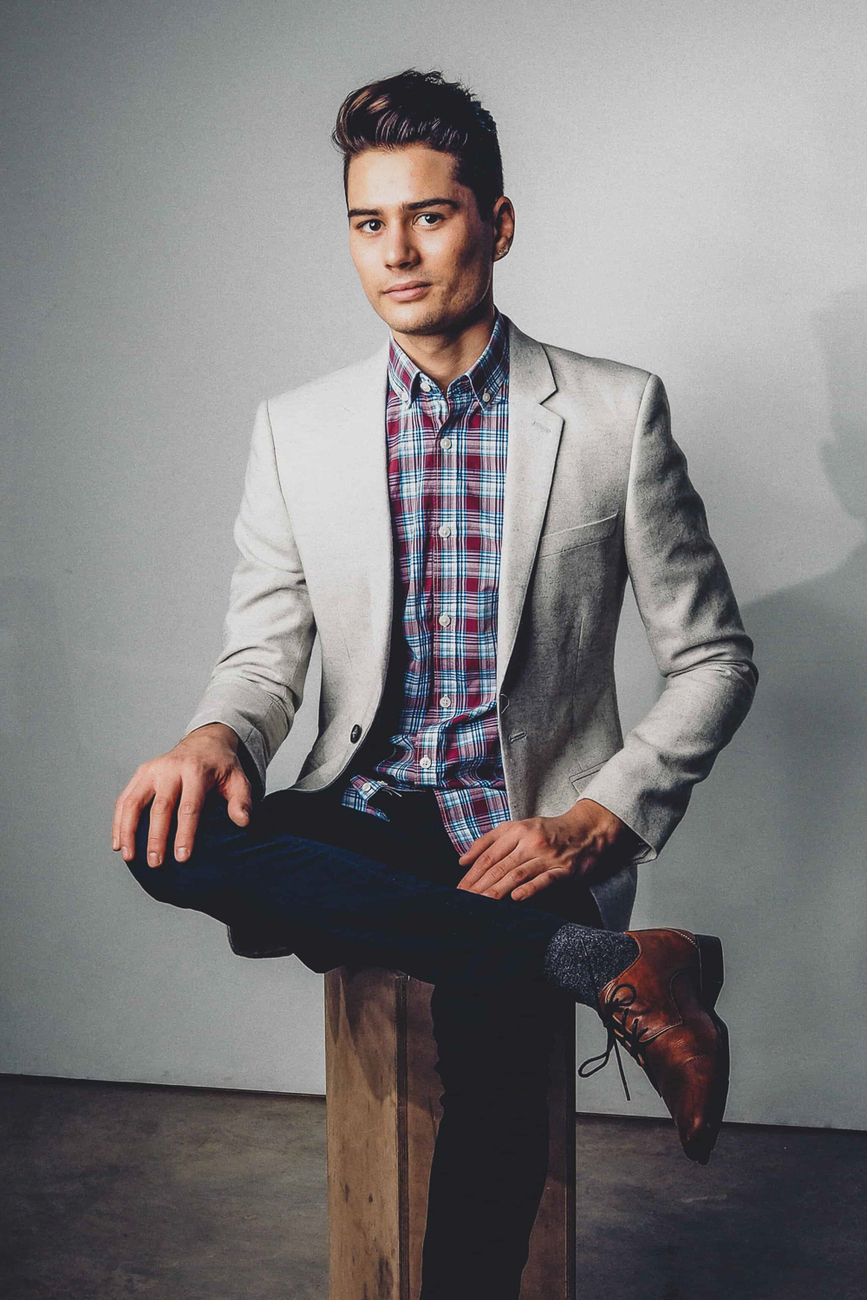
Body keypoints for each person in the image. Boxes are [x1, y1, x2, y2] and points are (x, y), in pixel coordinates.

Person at [113, 68, 758, 1300]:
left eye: (429, 215)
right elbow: (263, 657)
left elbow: (715, 658)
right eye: (369, 222)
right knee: (169, 836)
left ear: (496, 224)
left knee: (497, 1063)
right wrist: (214, 736)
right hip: (366, 814)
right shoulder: (297, 429)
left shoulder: (613, 415)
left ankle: (552, 950)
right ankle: (606, 964)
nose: (396, 253)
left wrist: (594, 821)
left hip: (528, 827)